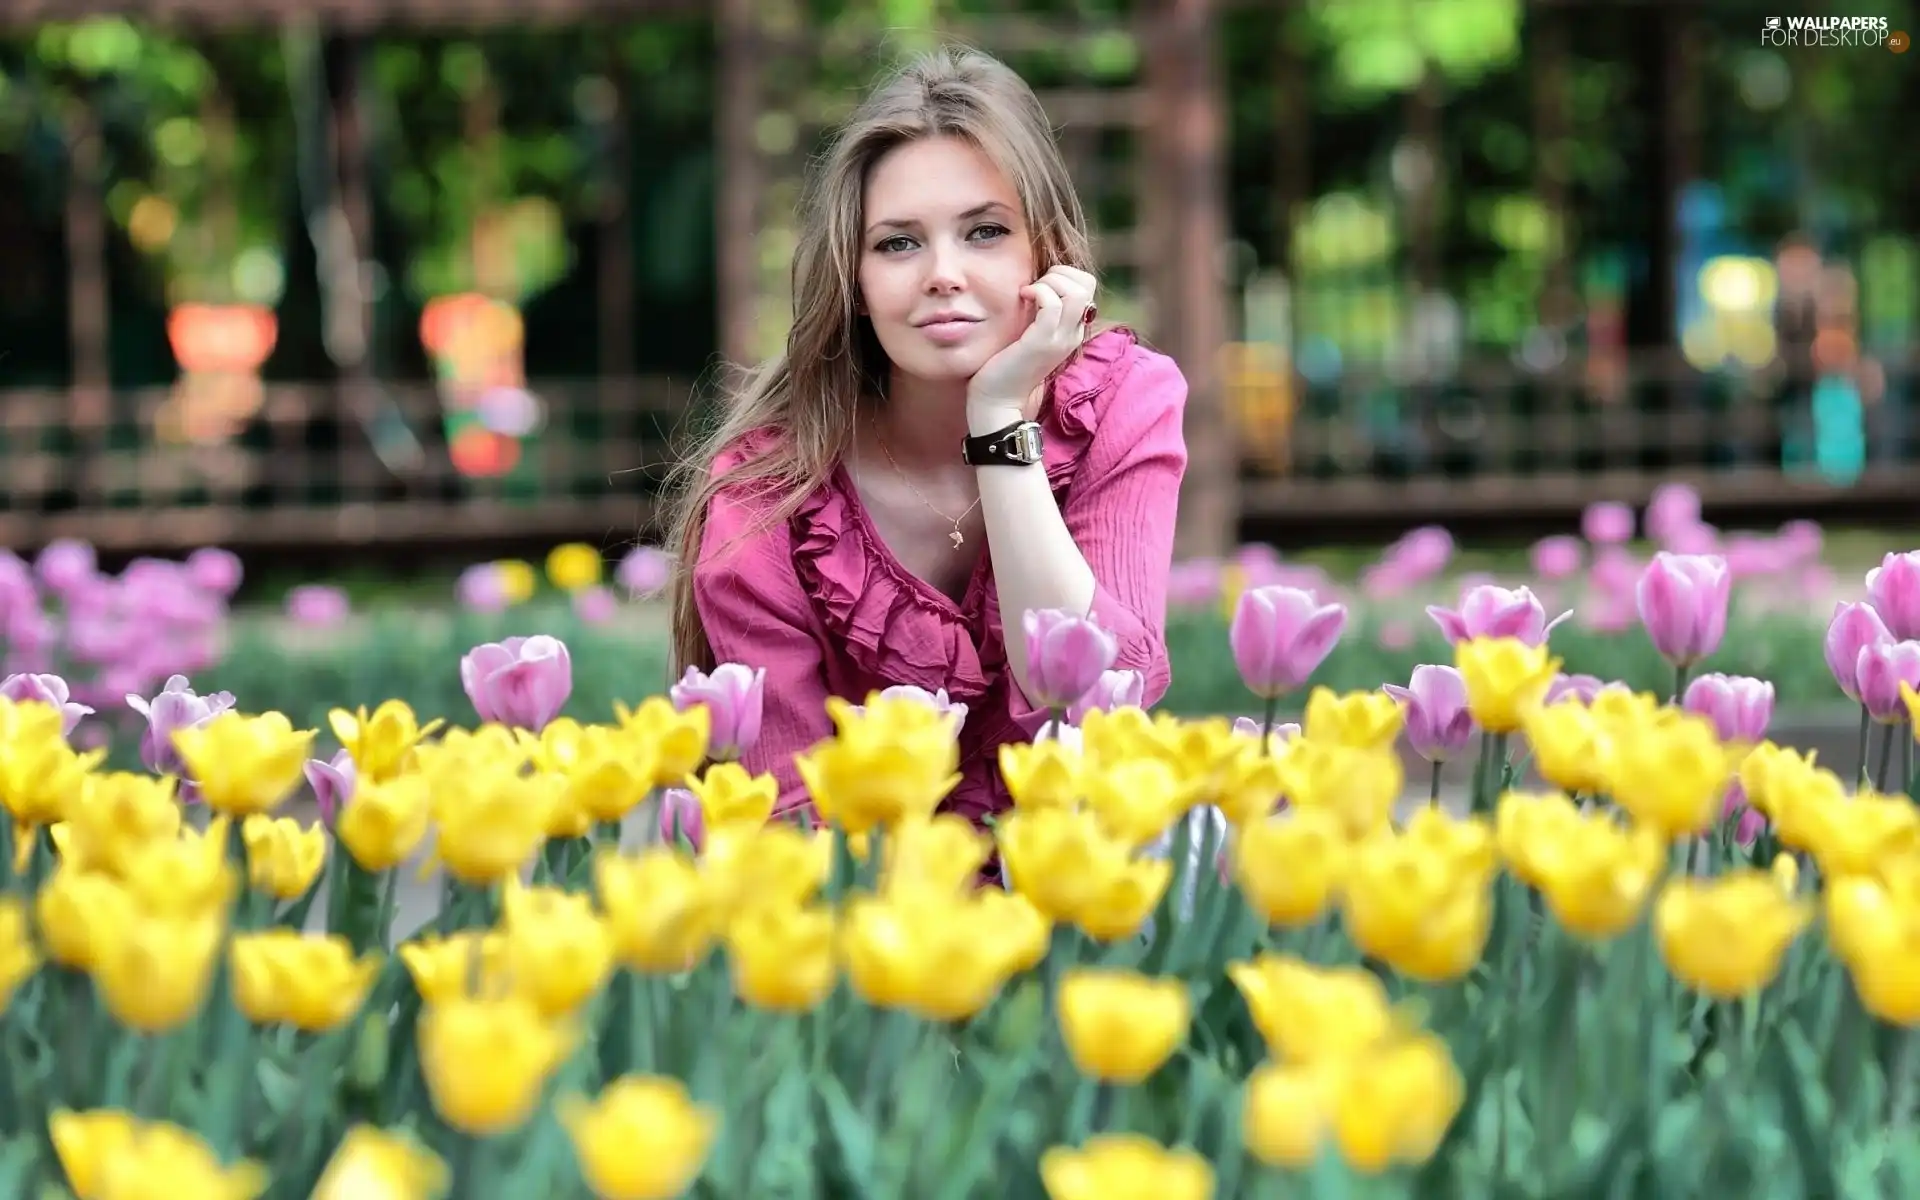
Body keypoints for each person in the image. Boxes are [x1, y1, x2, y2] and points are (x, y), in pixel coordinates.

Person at [662, 46, 1190, 829]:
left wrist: (1000, 421)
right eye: (898, 243)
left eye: (984, 232)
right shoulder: (768, 492)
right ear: (855, 282)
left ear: (1046, 254)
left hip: (1073, 895)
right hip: (867, 919)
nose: (942, 273)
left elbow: (1091, 700)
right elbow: (787, 816)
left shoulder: (1121, 403)